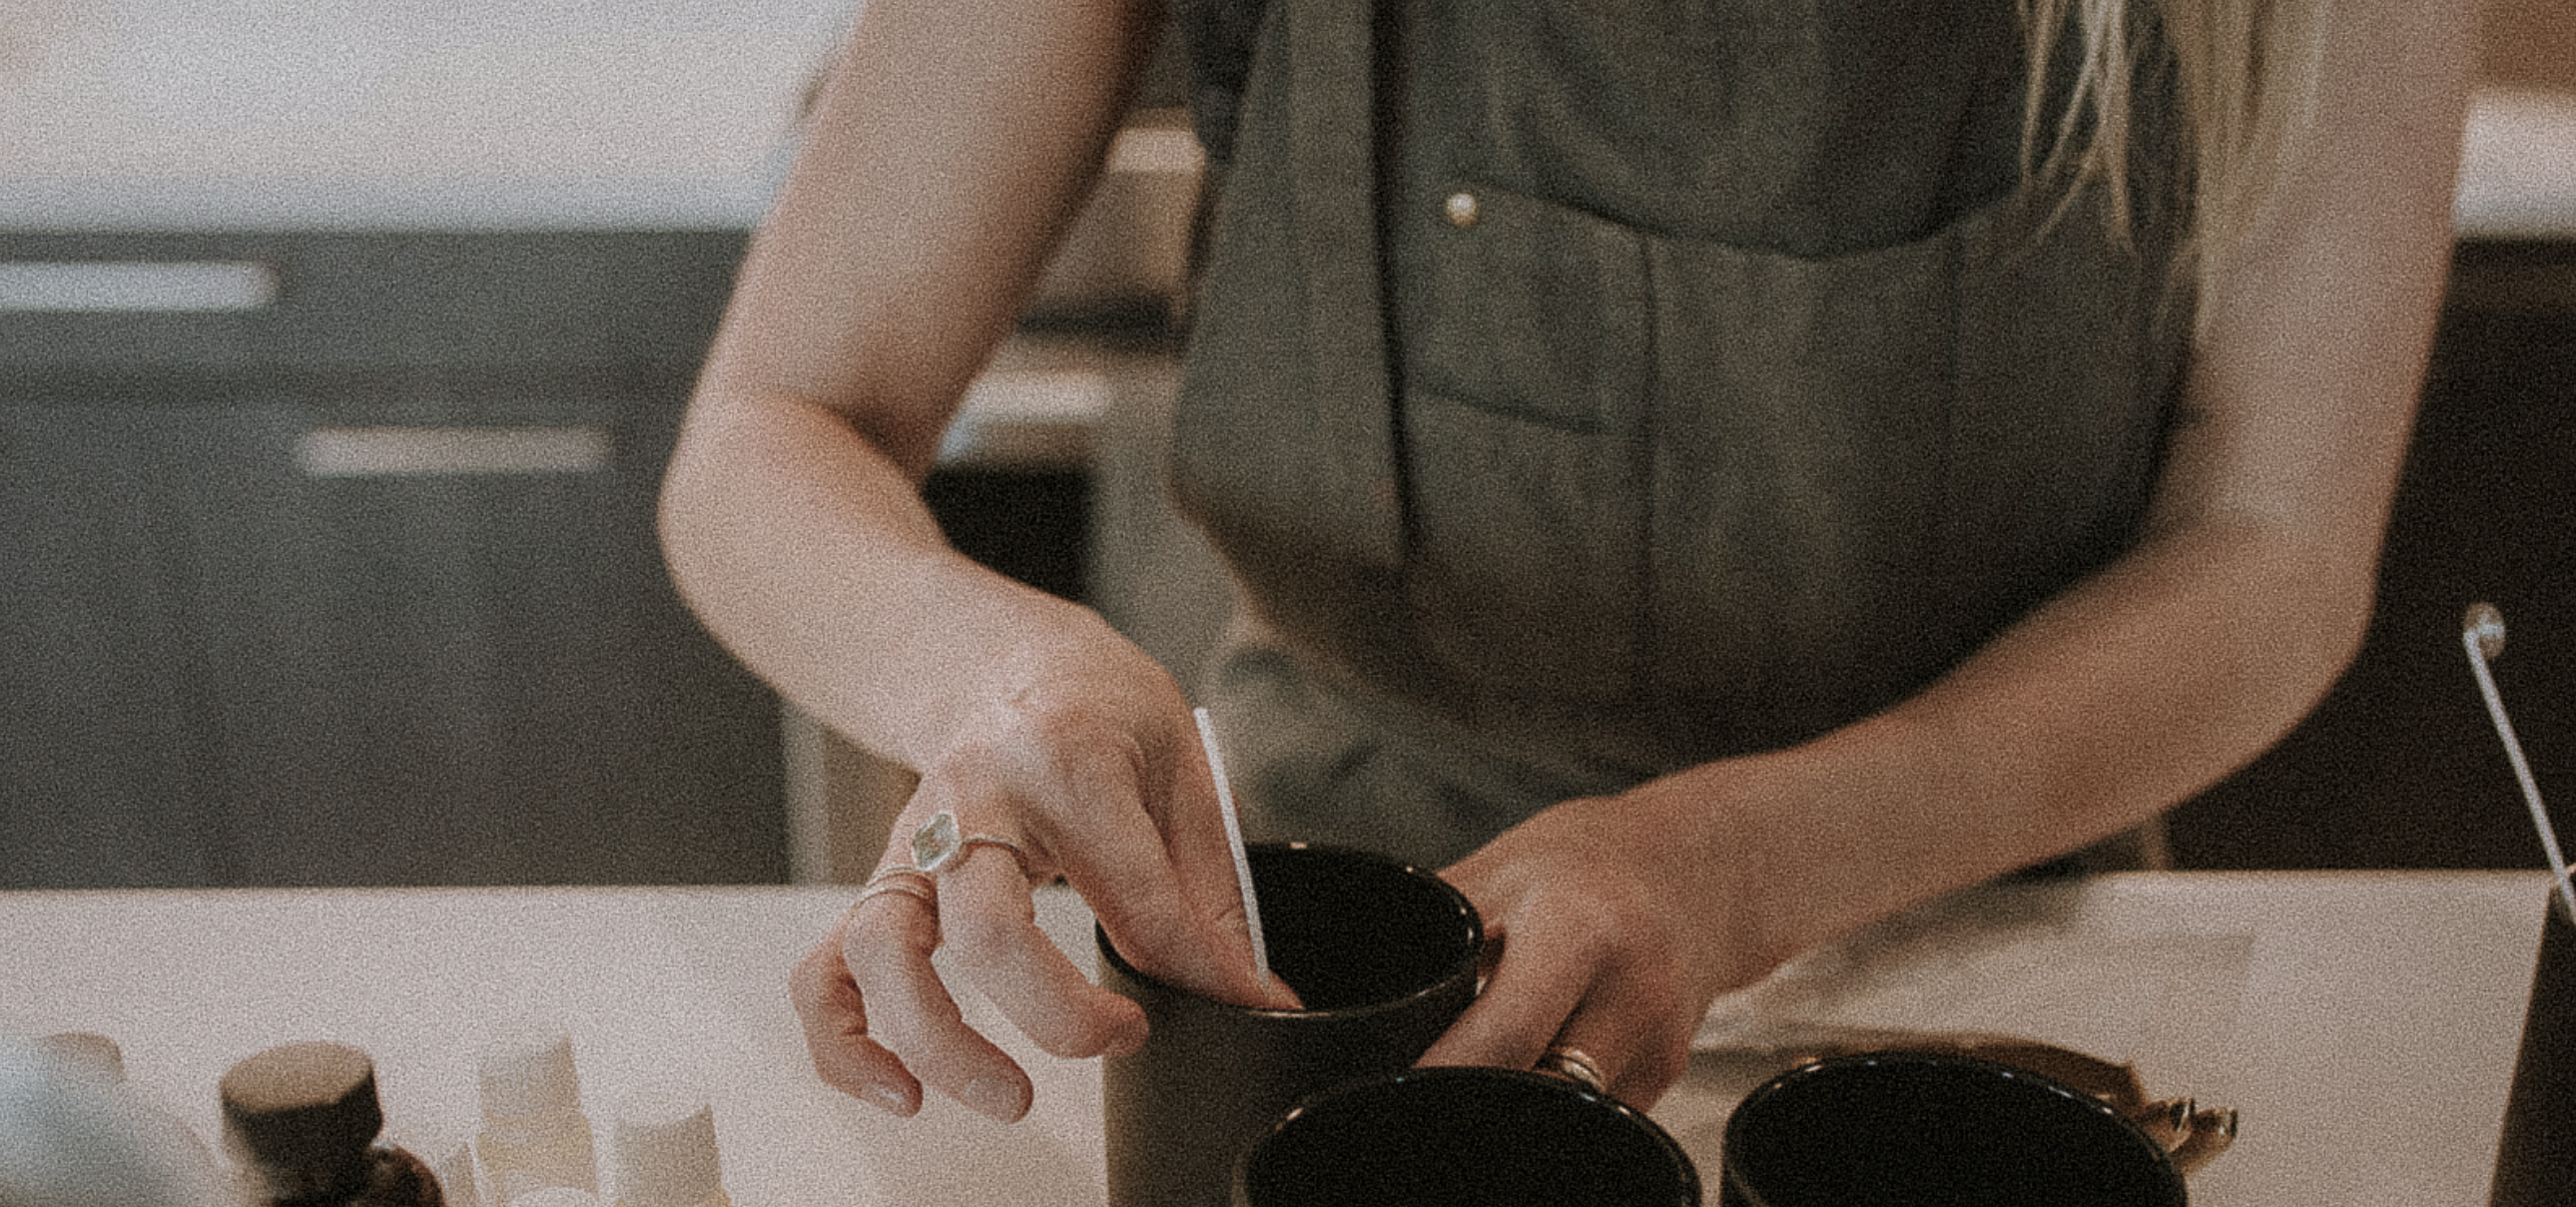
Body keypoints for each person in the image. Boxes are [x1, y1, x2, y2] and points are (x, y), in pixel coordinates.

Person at [659, 0, 2472, 1121]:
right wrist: (997, 678)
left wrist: (1745, 860)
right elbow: (775, 430)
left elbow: (2273, 546)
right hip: (1340, 962)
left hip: (1980, 982)